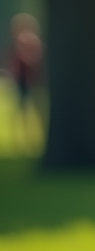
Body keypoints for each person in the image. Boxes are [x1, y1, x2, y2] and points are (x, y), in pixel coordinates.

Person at [7, 13, 44, 154]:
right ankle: (22, 140)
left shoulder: (28, 41)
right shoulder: (21, 41)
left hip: (31, 80)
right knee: (21, 111)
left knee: (34, 109)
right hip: (22, 80)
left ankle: (31, 140)